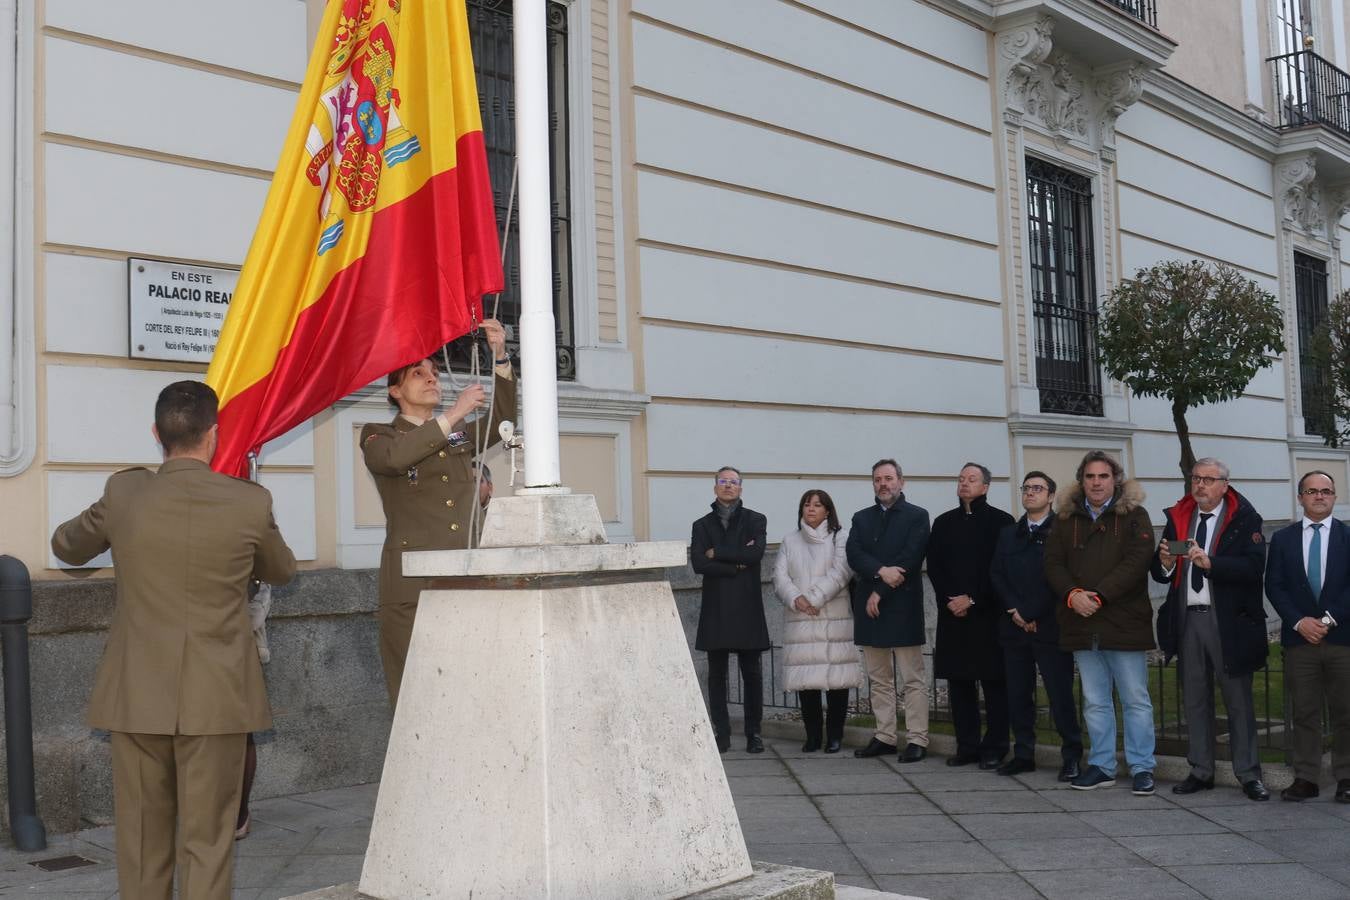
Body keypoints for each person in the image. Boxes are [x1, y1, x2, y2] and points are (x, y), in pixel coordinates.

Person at [51, 381, 296, 900]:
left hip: (138, 692)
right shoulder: (249, 501)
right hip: (219, 696)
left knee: (141, 841)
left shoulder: (124, 492)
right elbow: (283, 569)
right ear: (214, 434)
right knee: (208, 841)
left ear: (156, 434)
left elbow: (66, 546)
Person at [361, 319, 516, 708]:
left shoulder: (456, 434)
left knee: (469, 691)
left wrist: (500, 358)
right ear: (395, 391)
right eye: (418, 373)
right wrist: (454, 414)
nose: (431, 378)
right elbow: (398, 458)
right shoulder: (379, 434)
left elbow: (500, 425)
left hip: (466, 581)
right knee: (417, 697)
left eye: (434, 372)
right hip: (414, 589)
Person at [1152, 458, 1270, 801]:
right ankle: (1200, 770)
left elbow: (1254, 566)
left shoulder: (1245, 519)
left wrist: (1212, 564)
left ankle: (1249, 774)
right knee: (1194, 699)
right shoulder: (1179, 517)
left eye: (1208, 479)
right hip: (1188, 619)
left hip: (1228, 621)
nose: (1200, 485)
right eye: (1196, 478)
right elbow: (1161, 570)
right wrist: (1164, 562)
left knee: (1239, 702)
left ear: (1224, 485)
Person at [1043, 450, 1157, 795]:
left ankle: (1141, 767)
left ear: (1115, 480)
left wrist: (1098, 596)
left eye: (1103, 476)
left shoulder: (1135, 516)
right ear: (1082, 480)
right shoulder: (1065, 518)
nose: (1096, 482)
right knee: (1094, 700)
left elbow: (1137, 562)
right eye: (1090, 476)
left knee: (1135, 698)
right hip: (1080, 622)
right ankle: (1102, 765)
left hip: (1123, 621)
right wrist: (1073, 594)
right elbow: (1052, 563)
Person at [989, 471, 1082, 781]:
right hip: (1014, 628)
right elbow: (997, 575)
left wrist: (1031, 613)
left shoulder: (1063, 531)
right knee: (1018, 695)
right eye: (1027, 488)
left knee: (1060, 696)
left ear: (1051, 496)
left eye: (1038, 488)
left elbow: (1059, 579)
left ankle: (1071, 756)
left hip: (1050, 626)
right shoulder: (1007, 533)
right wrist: (1015, 611)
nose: (1030, 493)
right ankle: (1024, 753)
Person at [1264, 470, 1350, 803]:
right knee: (1305, 711)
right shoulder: (1284, 539)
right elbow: (1275, 585)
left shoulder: (1347, 536)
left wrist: (1327, 620)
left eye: (1325, 491)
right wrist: (1300, 622)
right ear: (1300, 497)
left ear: (1334, 496)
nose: (1319, 496)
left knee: (1346, 711)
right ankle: (1306, 778)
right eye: (1311, 491)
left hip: (1342, 639)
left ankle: (1345, 777)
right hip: (1300, 640)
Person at [928, 462, 1014, 769]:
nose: (964, 483)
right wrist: (950, 600)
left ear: (986, 487)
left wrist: (973, 599)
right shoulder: (943, 523)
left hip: (987, 614)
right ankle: (966, 745)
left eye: (972, 479)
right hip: (953, 614)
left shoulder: (1003, 522)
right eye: (961, 478)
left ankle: (995, 745)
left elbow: (1002, 569)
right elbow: (935, 567)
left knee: (994, 684)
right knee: (959, 684)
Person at [847, 459, 931, 762]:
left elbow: (910, 558)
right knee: (879, 678)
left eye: (889, 478)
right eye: (878, 479)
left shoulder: (917, 516)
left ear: (901, 482)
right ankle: (884, 736)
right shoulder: (861, 518)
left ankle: (918, 738)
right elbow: (854, 554)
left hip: (902, 605)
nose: (883, 484)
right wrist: (881, 572)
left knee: (912, 679)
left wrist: (880, 590)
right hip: (870, 607)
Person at [690, 466, 770, 753]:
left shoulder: (755, 520)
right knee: (716, 676)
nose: (727, 486)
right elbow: (699, 564)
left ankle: (754, 734)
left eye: (733, 482)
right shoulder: (701, 525)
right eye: (722, 482)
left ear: (740, 488)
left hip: (747, 606)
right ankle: (721, 734)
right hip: (716, 608)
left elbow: (755, 553)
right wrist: (737, 564)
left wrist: (718, 552)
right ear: (715, 488)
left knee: (752, 675)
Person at [773, 489, 860, 754]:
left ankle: (835, 736)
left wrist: (813, 598)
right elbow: (779, 576)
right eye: (806, 505)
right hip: (800, 617)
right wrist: (796, 598)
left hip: (834, 615)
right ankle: (812, 736)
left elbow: (841, 572)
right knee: (806, 680)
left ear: (828, 511)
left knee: (837, 680)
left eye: (817, 505)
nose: (810, 509)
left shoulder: (840, 537)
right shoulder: (789, 540)